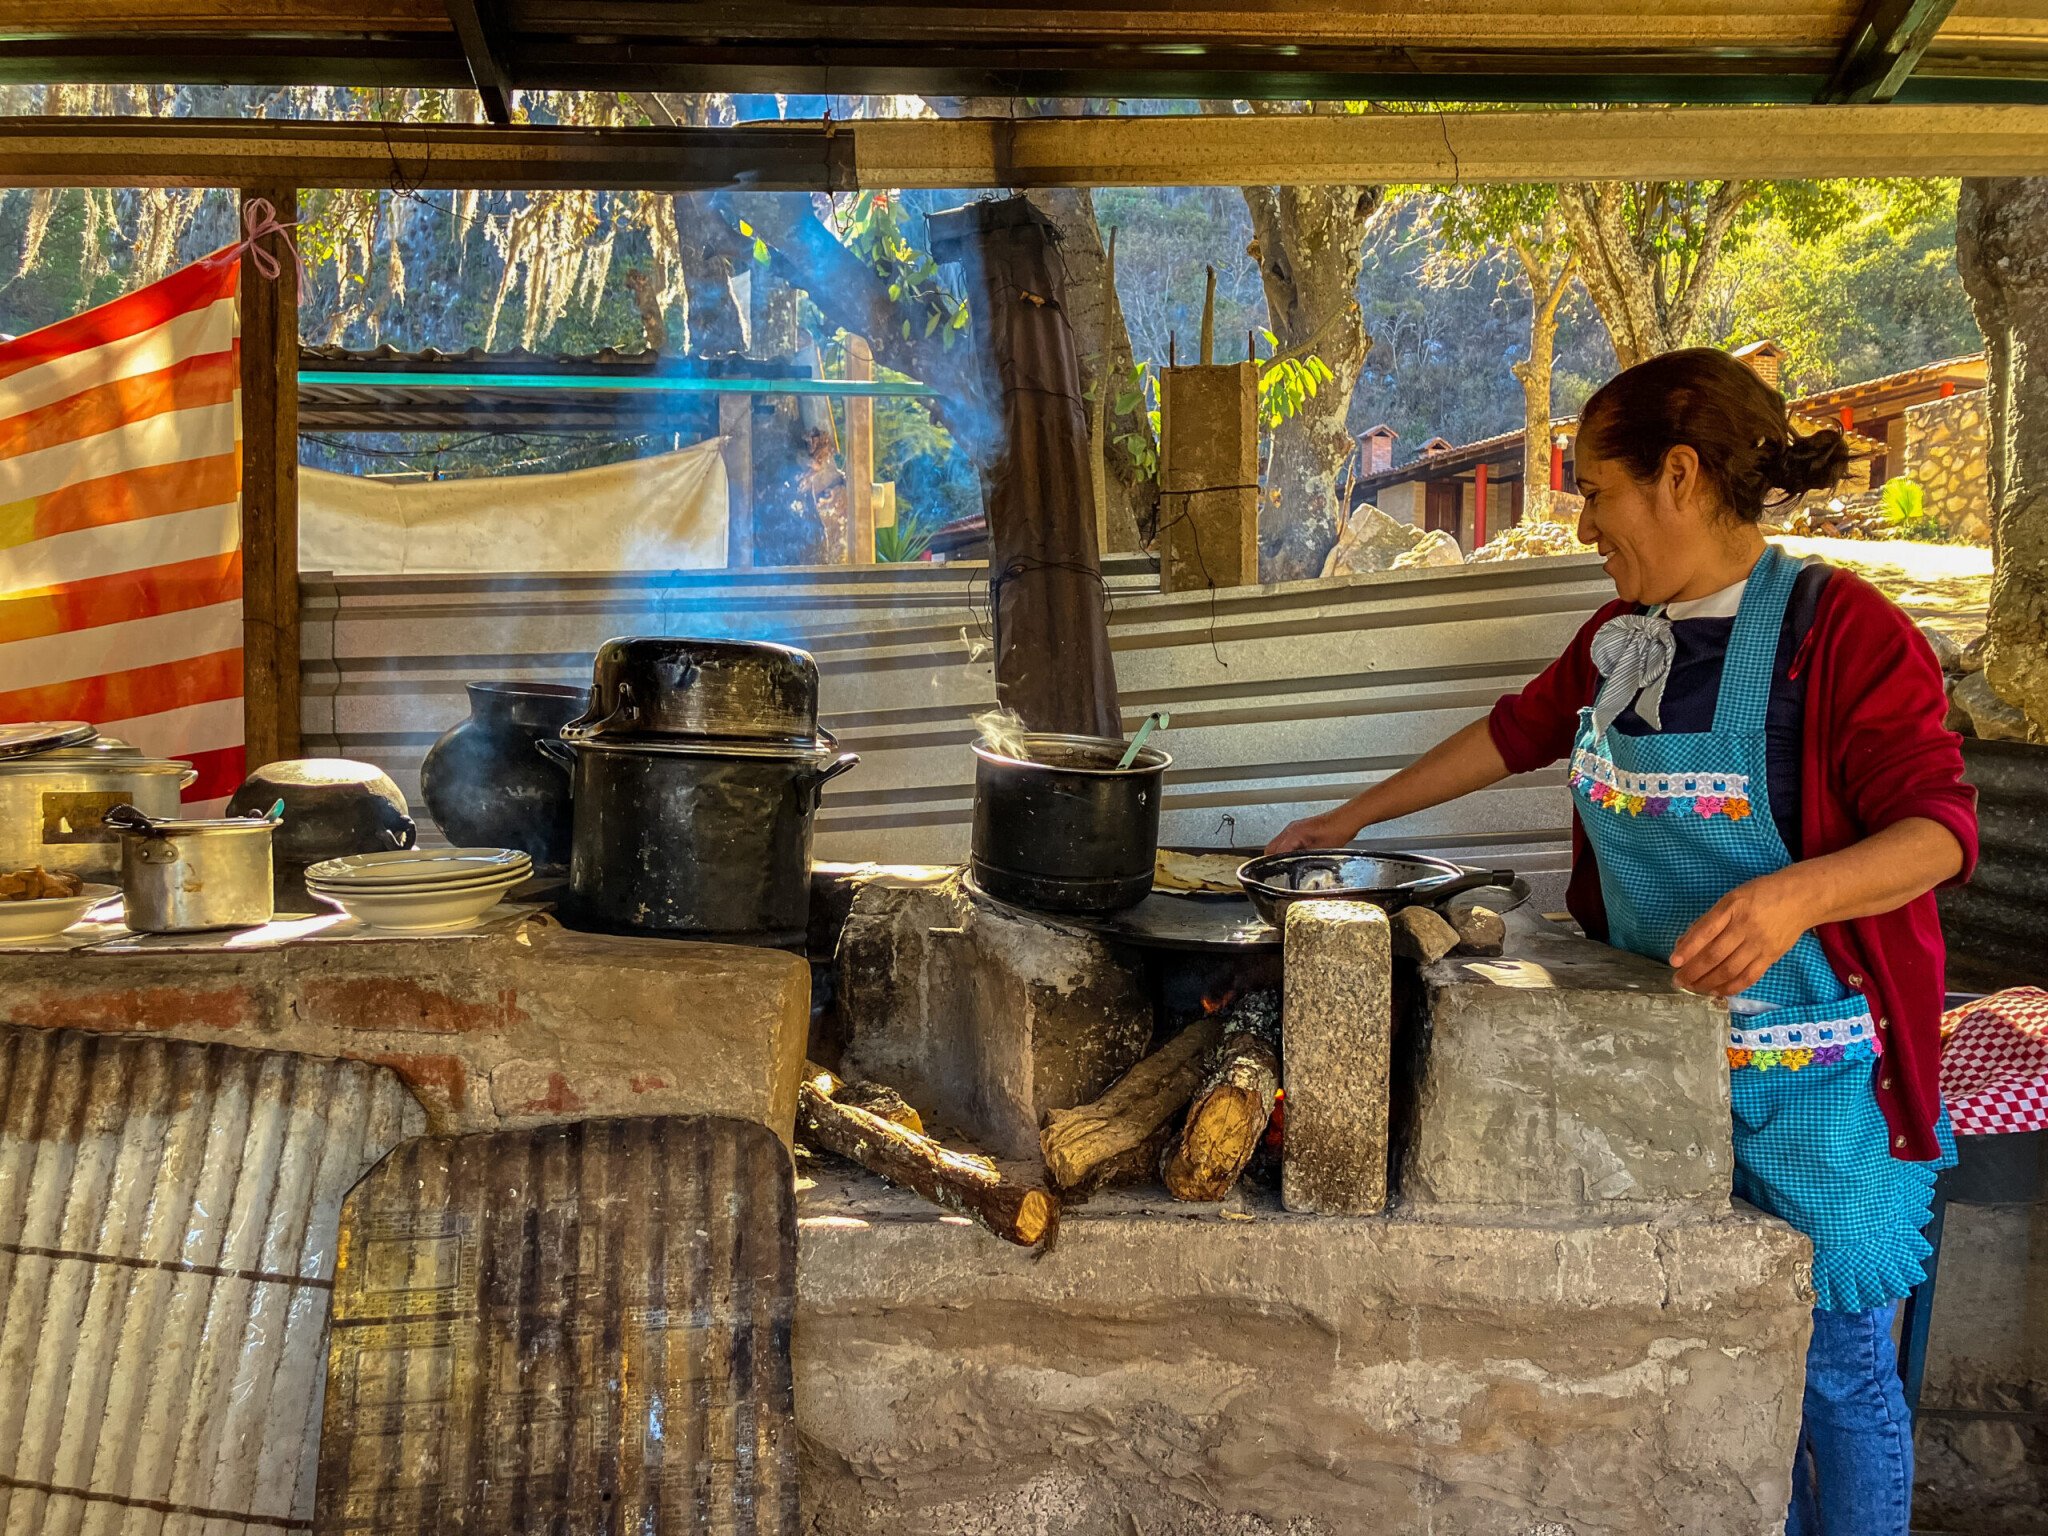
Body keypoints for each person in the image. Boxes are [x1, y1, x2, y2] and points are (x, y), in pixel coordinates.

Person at [1268, 348, 1977, 1535]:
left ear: (1680, 477)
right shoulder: (1621, 636)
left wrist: (1793, 898)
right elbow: (1513, 734)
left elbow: (1938, 834)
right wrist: (1349, 817)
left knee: (1832, 1372)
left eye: (1596, 491)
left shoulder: (1843, 633)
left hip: (1815, 1076)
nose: (1585, 522)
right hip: (1654, 1067)